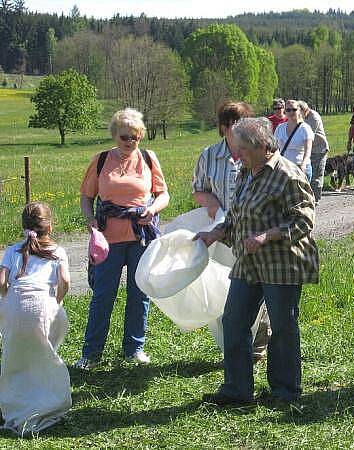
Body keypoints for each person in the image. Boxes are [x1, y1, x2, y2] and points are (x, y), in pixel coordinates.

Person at [195, 117, 319, 405]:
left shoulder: (288, 175)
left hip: (281, 264)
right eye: (235, 149)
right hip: (248, 264)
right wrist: (215, 234)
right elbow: (238, 217)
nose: (236, 156)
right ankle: (237, 389)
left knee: (282, 327)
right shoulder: (246, 172)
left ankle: (285, 391)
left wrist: (268, 236)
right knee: (234, 321)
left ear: (263, 146)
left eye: (242, 150)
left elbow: (304, 221)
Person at [76, 108, 170, 370]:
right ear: (115, 135)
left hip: (140, 237)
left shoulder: (149, 159)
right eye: (125, 137)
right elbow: (86, 196)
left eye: (135, 137)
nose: (130, 142)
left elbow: (163, 194)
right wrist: (89, 219)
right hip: (107, 240)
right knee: (103, 295)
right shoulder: (101, 160)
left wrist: (152, 209)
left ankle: (134, 349)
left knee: (139, 294)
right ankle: (91, 354)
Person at [192, 100, 271, 364]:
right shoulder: (209, 155)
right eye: (232, 125)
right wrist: (211, 203)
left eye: (243, 124)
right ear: (223, 127)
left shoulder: (258, 153)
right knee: (222, 290)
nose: (237, 130)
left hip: (252, 233)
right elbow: (198, 189)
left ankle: (258, 345)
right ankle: (231, 347)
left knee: (255, 288)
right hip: (222, 234)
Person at [0, 202, 71, 435]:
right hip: (43, 305)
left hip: (14, 305)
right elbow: (66, 282)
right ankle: (47, 404)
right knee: (45, 354)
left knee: (15, 356)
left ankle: (14, 405)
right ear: (49, 227)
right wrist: (57, 301)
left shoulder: (12, 251)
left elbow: (1, 282)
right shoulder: (57, 252)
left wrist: (8, 298)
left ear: (23, 227)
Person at [274, 99, 314, 181]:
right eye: (288, 110)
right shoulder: (280, 128)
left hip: (300, 168)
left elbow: (308, 151)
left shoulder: (305, 128)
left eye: (294, 109)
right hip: (284, 168)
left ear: (299, 110)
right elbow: (274, 148)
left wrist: (303, 164)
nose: (291, 112)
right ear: (285, 111)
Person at [298, 100, 329, 203]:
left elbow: (307, 135)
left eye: (299, 111)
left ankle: (315, 199)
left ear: (304, 110)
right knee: (306, 174)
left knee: (316, 174)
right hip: (307, 150)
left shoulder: (313, 117)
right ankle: (306, 197)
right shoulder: (301, 117)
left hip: (319, 149)